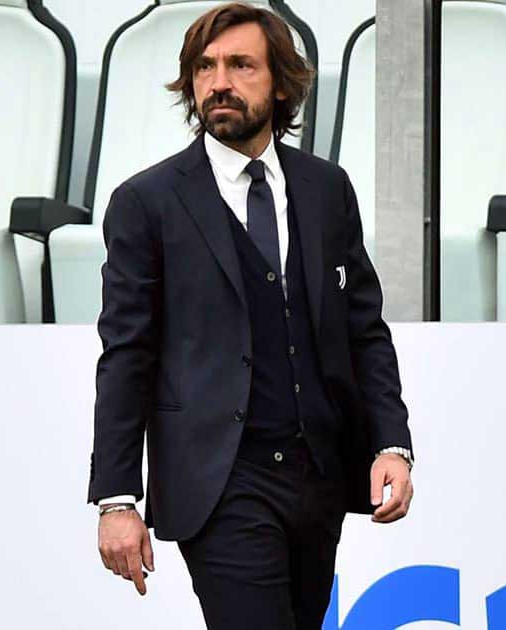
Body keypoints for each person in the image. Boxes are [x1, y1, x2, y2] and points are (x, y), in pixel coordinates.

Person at [87, 3, 414, 628]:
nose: (219, 83)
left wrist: (391, 443)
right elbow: (126, 354)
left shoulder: (327, 190)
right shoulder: (146, 203)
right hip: (219, 480)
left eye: (241, 65)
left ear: (281, 83)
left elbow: (364, 331)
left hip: (317, 478)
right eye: (204, 68)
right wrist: (116, 498)